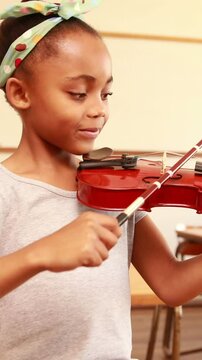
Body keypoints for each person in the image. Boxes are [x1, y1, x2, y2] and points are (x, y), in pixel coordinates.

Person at [0, 1, 202, 359]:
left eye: (106, 94)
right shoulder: (7, 189)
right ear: (21, 93)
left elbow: (171, 283)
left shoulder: (113, 188)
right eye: (78, 94)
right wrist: (40, 253)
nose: (99, 109)